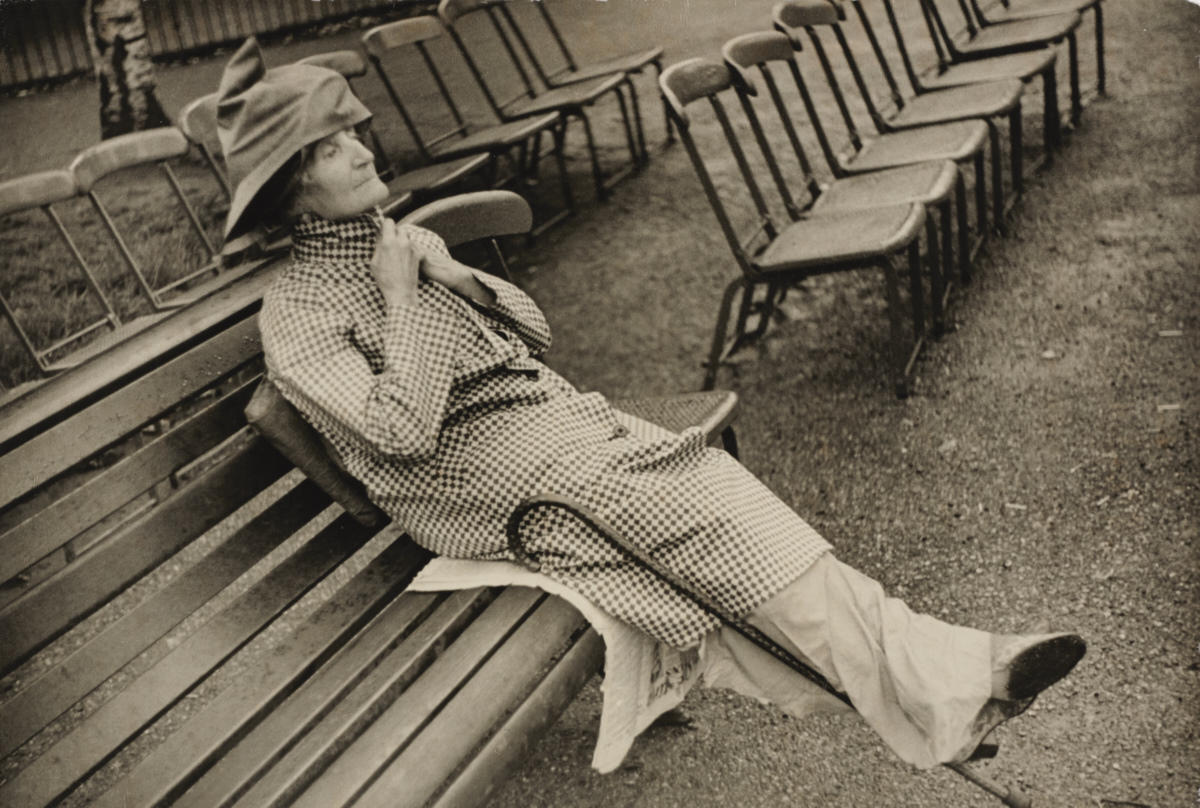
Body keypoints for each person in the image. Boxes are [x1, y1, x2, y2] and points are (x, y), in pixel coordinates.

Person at [217, 38, 1085, 770]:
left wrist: (449, 276)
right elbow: (400, 436)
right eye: (334, 149)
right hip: (484, 483)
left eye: (355, 135)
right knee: (710, 529)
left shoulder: (394, 242)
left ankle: (948, 687)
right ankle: (952, 684)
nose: (365, 151)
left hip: (555, 435)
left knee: (726, 501)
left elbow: (533, 332)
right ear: (293, 185)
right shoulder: (299, 313)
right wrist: (404, 302)